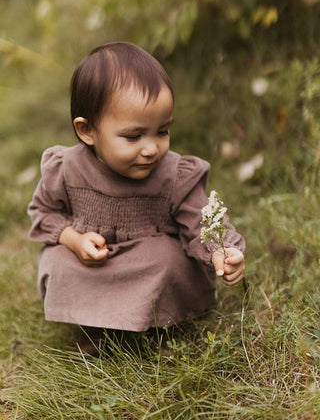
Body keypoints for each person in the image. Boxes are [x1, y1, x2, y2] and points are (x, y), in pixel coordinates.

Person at [28, 41, 245, 337]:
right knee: (58, 261)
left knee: (167, 260)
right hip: (93, 261)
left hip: (147, 261)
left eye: (163, 131)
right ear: (87, 131)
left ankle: (154, 326)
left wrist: (223, 251)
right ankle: (96, 327)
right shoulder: (65, 168)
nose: (151, 149)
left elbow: (201, 220)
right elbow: (43, 213)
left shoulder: (174, 174)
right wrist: (74, 240)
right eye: (133, 136)